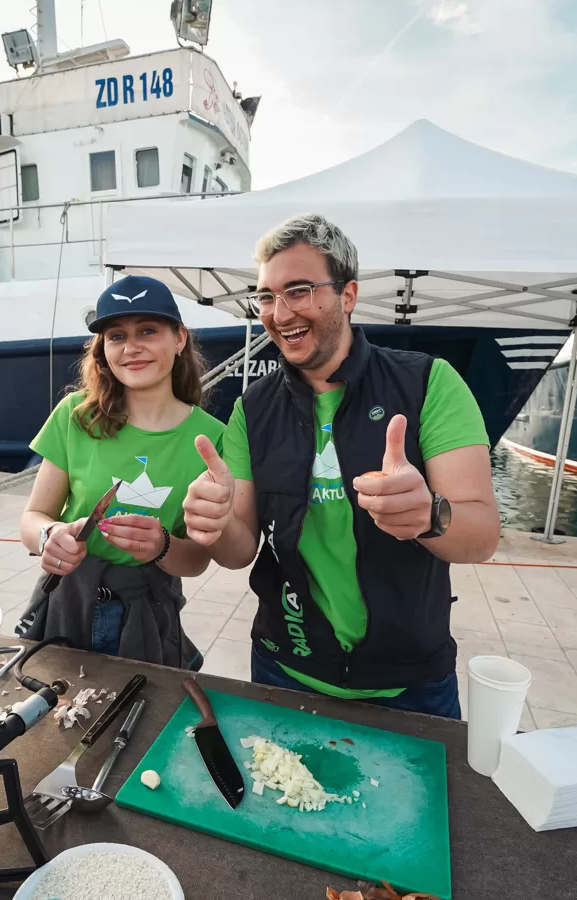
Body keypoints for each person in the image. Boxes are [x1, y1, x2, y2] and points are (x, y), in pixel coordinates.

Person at [182, 214, 500, 718]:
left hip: (411, 683)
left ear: (348, 295)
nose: (280, 313)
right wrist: (217, 524)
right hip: (283, 668)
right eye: (266, 297)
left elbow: (482, 536)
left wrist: (428, 515)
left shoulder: (428, 383)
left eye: (299, 291)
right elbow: (240, 551)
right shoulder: (253, 409)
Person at [18, 274, 224, 669]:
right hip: (67, 604)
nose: (131, 348)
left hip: (148, 614)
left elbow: (198, 560)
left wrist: (162, 546)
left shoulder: (211, 439)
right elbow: (33, 517)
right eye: (116, 336)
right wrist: (49, 536)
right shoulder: (75, 416)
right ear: (103, 349)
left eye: (148, 330)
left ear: (179, 338)